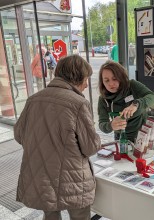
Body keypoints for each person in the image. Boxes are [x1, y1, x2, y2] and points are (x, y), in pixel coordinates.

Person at [14, 54, 101, 220]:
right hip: (73, 178)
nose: (87, 83)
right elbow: (90, 147)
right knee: (80, 216)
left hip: (40, 175)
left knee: (50, 215)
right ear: (79, 77)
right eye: (86, 78)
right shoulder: (78, 103)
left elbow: (19, 134)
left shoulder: (33, 99)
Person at [98, 60, 154, 142]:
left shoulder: (132, 85)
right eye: (106, 80)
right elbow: (102, 124)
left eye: (114, 79)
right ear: (102, 82)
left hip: (142, 134)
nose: (111, 84)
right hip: (120, 137)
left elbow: (153, 97)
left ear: (121, 77)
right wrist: (111, 125)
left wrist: (136, 104)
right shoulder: (103, 99)